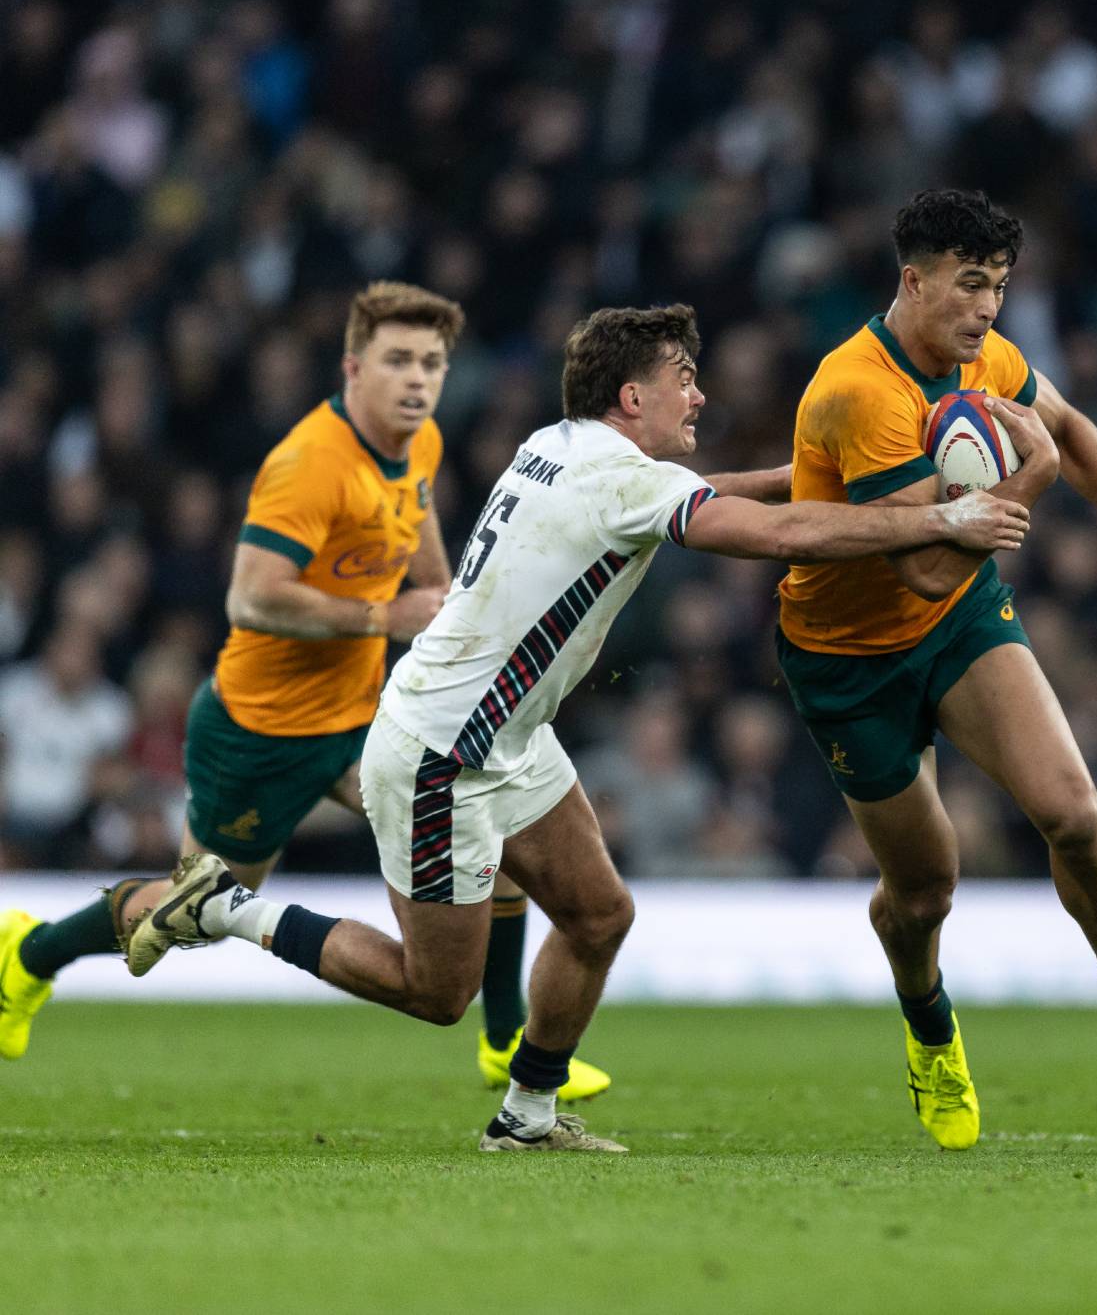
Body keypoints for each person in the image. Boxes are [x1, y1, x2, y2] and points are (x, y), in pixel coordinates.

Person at [121, 305, 1031, 1153]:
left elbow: (706, 490)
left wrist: (824, 475)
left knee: (599, 916)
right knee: (436, 993)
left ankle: (526, 1117)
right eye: (684, 376)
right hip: (444, 754)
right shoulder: (613, 481)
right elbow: (775, 535)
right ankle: (224, 906)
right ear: (633, 397)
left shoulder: (560, 446)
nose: (701, 394)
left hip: (503, 736)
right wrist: (934, 514)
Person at [0, 282, 626, 1099]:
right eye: (398, 361)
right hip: (258, 734)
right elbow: (252, 596)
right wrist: (383, 613)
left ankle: (505, 1039)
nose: (417, 380)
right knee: (201, 908)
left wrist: (452, 617)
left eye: (432, 364)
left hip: (363, 719)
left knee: (486, 818)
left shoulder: (421, 444)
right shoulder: (308, 464)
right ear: (352, 367)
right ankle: (28, 953)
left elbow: (430, 563)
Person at [773, 188, 1097, 1151]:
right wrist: (1030, 479)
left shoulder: (989, 361)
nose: (987, 308)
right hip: (848, 660)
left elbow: (1076, 432)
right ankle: (930, 1031)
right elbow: (926, 558)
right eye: (971, 285)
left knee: (1071, 809)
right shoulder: (859, 390)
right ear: (913, 280)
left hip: (956, 623)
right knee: (926, 890)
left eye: (1001, 287)